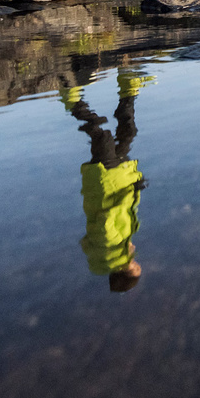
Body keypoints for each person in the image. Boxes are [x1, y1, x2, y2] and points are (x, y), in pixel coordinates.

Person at [62, 68, 153, 292]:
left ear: (127, 271)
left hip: (106, 180)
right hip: (118, 176)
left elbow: (105, 218)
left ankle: (71, 99)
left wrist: (131, 190)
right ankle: (128, 87)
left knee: (101, 135)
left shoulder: (110, 248)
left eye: (137, 268)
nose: (138, 263)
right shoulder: (120, 249)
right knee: (128, 132)